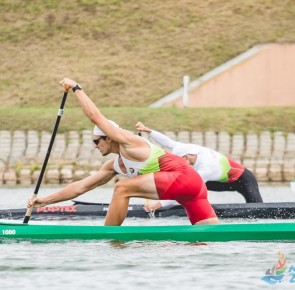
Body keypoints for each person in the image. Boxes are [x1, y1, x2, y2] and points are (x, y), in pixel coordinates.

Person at [27, 77, 219, 225]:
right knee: (209, 236)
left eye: (96, 141)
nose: (94, 145)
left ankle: (110, 236)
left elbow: (95, 117)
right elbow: (81, 186)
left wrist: (76, 88)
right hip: (191, 189)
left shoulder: (130, 142)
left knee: (122, 188)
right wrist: (44, 201)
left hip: (183, 179)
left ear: (108, 137)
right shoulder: (115, 165)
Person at [135, 122, 263, 212]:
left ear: (187, 157)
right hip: (221, 181)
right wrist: (148, 130)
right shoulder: (188, 150)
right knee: (186, 184)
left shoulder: (206, 167)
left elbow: (185, 190)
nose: (177, 165)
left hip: (244, 180)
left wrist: (158, 205)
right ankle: (197, 207)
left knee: (258, 209)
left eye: (179, 162)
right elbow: (167, 142)